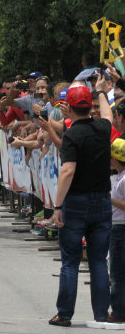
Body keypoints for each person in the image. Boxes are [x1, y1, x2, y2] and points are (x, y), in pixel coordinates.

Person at [50, 76, 113, 327]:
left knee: (71, 261)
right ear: (89, 106)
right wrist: (101, 92)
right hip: (102, 201)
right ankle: (100, 314)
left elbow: (67, 171)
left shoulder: (72, 135)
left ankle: (64, 314)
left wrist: (56, 206)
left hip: (76, 202)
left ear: (70, 108)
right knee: (98, 260)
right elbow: (107, 115)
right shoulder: (103, 129)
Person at [107, 138, 125, 324]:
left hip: (120, 228)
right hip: (117, 226)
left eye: (112, 157)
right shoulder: (119, 178)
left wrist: (109, 199)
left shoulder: (123, 180)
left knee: (118, 272)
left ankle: (119, 311)